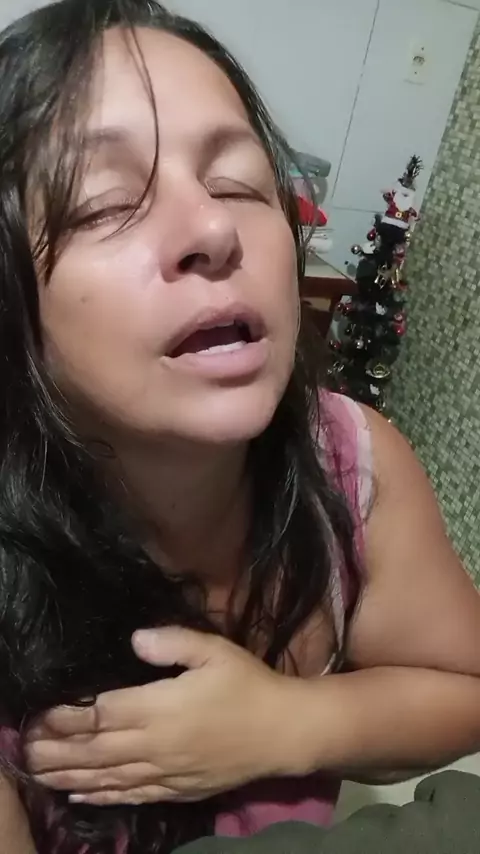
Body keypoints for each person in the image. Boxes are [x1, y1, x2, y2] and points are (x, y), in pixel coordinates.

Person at [1, 1, 480, 852]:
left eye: (239, 184)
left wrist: (290, 722)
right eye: (107, 203)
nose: (215, 230)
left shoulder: (353, 461)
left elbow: (466, 689)